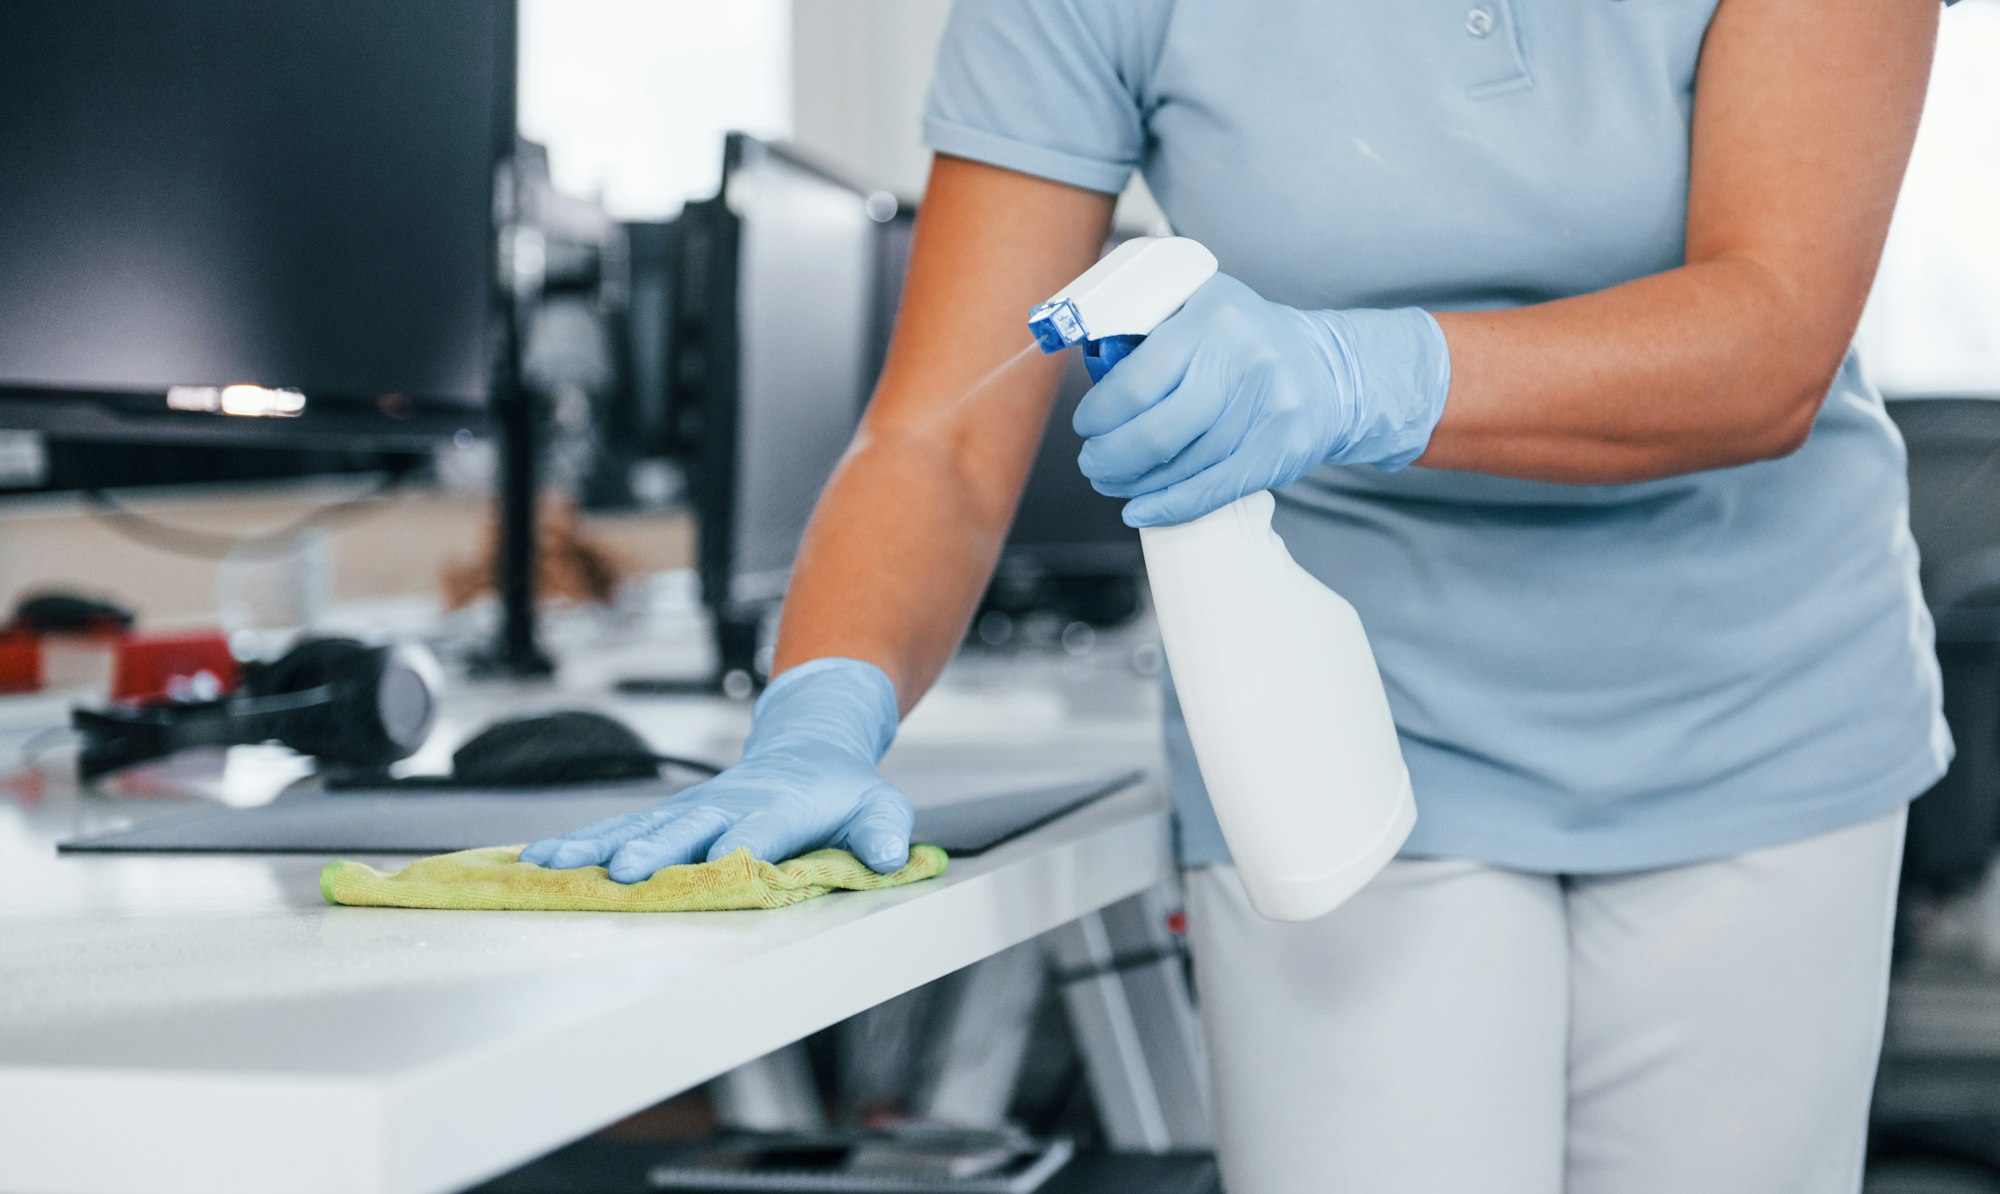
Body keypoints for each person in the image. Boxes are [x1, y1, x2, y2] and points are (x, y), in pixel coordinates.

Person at [525, 1, 1953, 1188]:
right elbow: (944, 431)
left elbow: (1770, 336)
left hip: (1758, 714)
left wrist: (1354, 371)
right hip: (1335, 731)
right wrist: (824, 706)